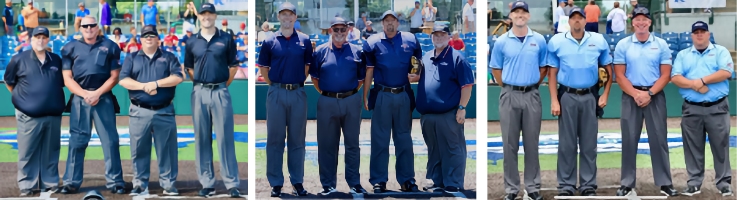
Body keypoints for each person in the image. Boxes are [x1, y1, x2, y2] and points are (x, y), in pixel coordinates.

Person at [612, 7, 678, 197]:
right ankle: (626, 183)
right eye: (637, 19)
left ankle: (665, 182)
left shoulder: (661, 44)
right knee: (629, 140)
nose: (641, 23)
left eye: (644, 20)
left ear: (650, 22)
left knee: (659, 140)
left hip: (654, 95)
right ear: (632, 22)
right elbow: (619, 75)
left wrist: (649, 93)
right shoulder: (623, 45)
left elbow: (665, 75)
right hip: (630, 96)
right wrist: (635, 94)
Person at [547, 7, 612, 197]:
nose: (577, 21)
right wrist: (553, 100)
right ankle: (566, 185)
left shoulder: (598, 40)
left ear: (585, 21)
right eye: (573, 18)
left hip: (590, 95)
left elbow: (608, 70)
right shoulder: (557, 41)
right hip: (567, 95)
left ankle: (588, 185)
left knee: (589, 143)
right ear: (569, 21)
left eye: (580, 18)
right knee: (566, 144)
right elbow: (552, 73)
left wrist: (606, 94)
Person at [59, 16, 125, 195]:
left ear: (97, 27)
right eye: (85, 26)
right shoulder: (69, 47)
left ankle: (115, 182)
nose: (89, 28)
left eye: (92, 25)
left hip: (103, 98)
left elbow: (114, 76)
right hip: (80, 99)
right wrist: (85, 94)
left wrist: (97, 93)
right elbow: (67, 78)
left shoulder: (110, 46)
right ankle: (71, 182)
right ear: (80, 28)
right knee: (77, 141)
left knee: (110, 141)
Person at [489, 2, 547, 200]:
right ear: (510, 16)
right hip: (509, 95)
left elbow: (543, 68)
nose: (520, 15)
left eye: (523, 12)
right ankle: (511, 189)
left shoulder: (538, 40)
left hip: (531, 94)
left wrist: (530, 84)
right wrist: (508, 86)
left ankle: (532, 187)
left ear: (528, 16)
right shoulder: (502, 41)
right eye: (516, 12)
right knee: (509, 144)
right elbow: (496, 69)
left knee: (532, 144)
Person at [183, 3, 241, 197]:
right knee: (202, 138)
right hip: (199, 91)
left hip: (220, 91)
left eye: (210, 13)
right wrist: (202, 84)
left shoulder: (226, 38)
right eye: (203, 13)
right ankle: (207, 182)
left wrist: (221, 84)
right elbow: (189, 68)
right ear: (198, 16)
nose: (206, 16)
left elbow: (233, 66)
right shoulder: (191, 41)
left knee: (225, 137)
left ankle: (231, 182)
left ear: (215, 16)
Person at [671, 21, 734, 197]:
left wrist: (703, 80)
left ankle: (723, 183)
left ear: (708, 34)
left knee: (720, 146)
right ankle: (694, 182)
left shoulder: (720, 51)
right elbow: (675, 77)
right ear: (692, 35)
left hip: (717, 106)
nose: (699, 35)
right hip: (692, 108)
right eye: (696, 32)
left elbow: (726, 72)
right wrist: (695, 84)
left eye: (702, 32)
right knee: (692, 147)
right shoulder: (683, 55)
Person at [118, 25, 183, 197]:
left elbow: (178, 77)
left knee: (167, 149)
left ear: (157, 39)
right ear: (140, 39)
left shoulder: (169, 57)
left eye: (152, 35)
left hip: (164, 110)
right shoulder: (132, 57)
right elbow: (123, 80)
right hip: (140, 110)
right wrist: (145, 87)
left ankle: (168, 184)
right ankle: (139, 184)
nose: (149, 38)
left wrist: (156, 84)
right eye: (145, 35)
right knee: (139, 149)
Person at [362, 10, 422, 194]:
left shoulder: (410, 40)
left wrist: (417, 74)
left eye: (393, 20)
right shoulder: (372, 42)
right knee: (380, 140)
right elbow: (369, 71)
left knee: (404, 139)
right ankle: (379, 180)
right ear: (382, 23)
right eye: (386, 20)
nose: (390, 23)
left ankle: (407, 179)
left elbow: (418, 62)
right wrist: (365, 95)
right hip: (382, 94)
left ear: (398, 23)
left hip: (403, 93)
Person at [256, 2, 312, 197]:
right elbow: (263, 69)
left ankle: (297, 181)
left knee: (297, 140)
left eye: (291, 15)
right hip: (276, 92)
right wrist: (276, 84)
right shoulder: (269, 40)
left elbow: (307, 68)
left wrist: (294, 83)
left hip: (297, 92)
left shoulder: (304, 40)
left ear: (295, 18)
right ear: (278, 17)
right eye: (283, 15)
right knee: (274, 140)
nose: (287, 18)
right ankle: (276, 183)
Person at [311, 16, 368, 196]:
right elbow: (314, 78)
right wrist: (329, 93)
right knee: (327, 145)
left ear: (348, 31)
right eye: (336, 29)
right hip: (327, 100)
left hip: (351, 99)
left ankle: (354, 183)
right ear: (330, 31)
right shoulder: (320, 52)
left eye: (343, 29)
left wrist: (347, 93)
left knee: (352, 144)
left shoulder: (357, 51)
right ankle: (328, 184)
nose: (339, 33)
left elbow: (361, 79)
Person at [5, 26, 65, 197]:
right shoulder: (19, 59)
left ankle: (50, 182)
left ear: (48, 40)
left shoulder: (55, 59)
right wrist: (22, 99)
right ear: (31, 39)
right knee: (27, 151)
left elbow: (60, 83)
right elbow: (9, 81)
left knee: (51, 150)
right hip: (28, 115)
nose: (40, 40)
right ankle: (26, 184)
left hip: (52, 114)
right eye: (37, 37)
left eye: (43, 37)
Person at [415, 24, 474, 194]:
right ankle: (437, 181)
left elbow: (467, 85)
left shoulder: (457, 58)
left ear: (448, 37)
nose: (438, 37)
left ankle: (453, 182)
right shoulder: (426, 57)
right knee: (434, 149)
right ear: (431, 36)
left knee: (453, 148)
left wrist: (462, 108)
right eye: (436, 34)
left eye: (442, 34)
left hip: (449, 113)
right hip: (428, 114)